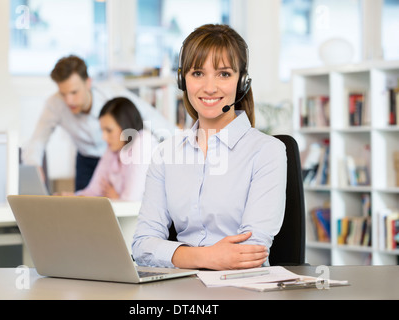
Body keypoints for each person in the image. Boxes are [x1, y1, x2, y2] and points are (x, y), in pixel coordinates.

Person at [132, 24, 287, 270]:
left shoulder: (267, 152)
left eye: (224, 74)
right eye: (197, 73)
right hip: (180, 286)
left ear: (242, 82)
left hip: (242, 288)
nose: (210, 87)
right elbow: (142, 245)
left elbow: (250, 251)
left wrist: (176, 255)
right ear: (183, 80)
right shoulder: (166, 154)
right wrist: (207, 257)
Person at [21, 55, 173, 191]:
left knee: (117, 204)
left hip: (115, 158)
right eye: (63, 94)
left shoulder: (111, 95)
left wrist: (174, 146)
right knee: (83, 209)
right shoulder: (54, 105)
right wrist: (34, 167)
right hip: (85, 159)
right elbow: (37, 140)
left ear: (88, 83)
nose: (69, 101)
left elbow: (149, 116)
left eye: (74, 92)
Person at [74, 97, 158, 201]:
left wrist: (116, 197)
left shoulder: (144, 142)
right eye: (103, 130)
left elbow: (131, 201)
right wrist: (71, 198)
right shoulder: (114, 149)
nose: (103, 137)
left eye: (109, 130)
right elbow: (93, 191)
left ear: (125, 126)